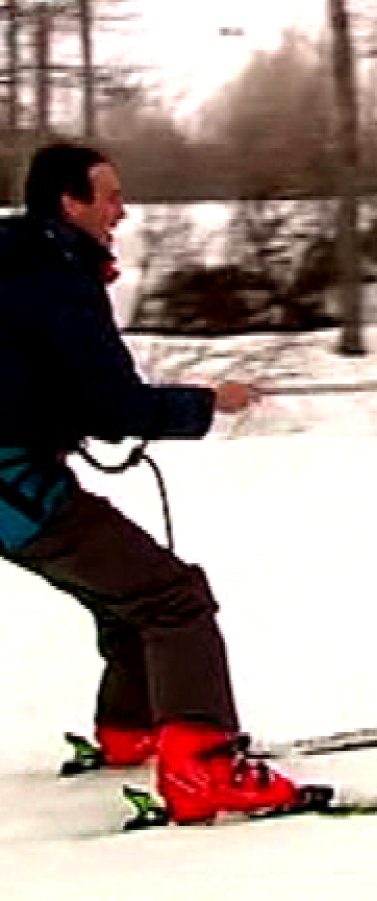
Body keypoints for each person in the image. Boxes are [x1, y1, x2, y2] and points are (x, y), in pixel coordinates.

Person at [0, 142, 301, 823]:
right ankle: (203, 765)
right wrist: (205, 403)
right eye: (108, 196)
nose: (122, 210)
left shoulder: (18, 260)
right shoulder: (54, 277)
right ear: (68, 203)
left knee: (130, 593)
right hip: (14, 486)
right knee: (173, 596)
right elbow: (113, 406)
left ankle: (132, 730)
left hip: (17, 476)